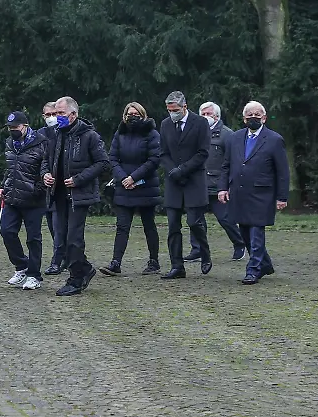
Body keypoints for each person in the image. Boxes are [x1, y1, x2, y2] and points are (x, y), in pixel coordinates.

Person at [42, 96, 110, 296]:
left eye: (60, 113)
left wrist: (79, 179)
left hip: (79, 194)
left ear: (73, 114)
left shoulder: (90, 136)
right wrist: (45, 174)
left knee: (74, 238)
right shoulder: (54, 134)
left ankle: (76, 280)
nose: (56, 117)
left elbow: (103, 164)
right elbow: (46, 159)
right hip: (58, 194)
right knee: (61, 238)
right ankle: (85, 268)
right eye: (55, 113)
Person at [218, 101, 290, 285]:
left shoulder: (274, 139)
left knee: (257, 232)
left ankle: (253, 270)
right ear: (244, 119)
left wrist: (282, 197)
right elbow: (226, 165)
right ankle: (265, 264)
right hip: (239, 192)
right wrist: (223, 187)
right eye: (249, 115)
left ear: (264, 118)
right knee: (245, 233)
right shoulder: (234, 138)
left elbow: (282, 171)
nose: (253, 118)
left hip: (262, 194)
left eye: (257, 115)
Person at [100, 102, 161, 277]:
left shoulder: (152, 134)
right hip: (124, 186)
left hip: (145, 185)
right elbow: (113, 158)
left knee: (149, 225)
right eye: (129, 113)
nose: (132, 116)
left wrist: (134, 178)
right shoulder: (120, 134)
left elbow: (154, 160)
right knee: (122, 226)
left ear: (143, 115)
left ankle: (154, 261)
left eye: (136, 113)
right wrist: (123, 178)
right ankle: (115, 262)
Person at [158, 91, 212, 279]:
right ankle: (177, 265)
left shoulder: (200, 123)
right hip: (174, 182)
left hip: (194, 180)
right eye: (169, 110)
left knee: (194, 223)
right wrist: (173, 170)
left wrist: (183, 169)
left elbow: (203, 152)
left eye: (175, 110)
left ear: (185, 107)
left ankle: (204, 253)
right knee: (173, 225)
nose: (172, 113)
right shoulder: (165, 124)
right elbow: (163, 152)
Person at [186, 102, 246, 262]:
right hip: (197, 184)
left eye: (208, 114)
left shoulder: (227, 135)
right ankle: (197, 249)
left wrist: (228, 185)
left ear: (217, 116)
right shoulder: (194, 133)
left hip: (218, 186)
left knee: (226, 219)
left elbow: (235, 161)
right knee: (195, 220)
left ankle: (240, 244)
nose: (205, 117)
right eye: (202, 113)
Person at [0, 111, 48, 290]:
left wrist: (37, 190)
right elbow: (10, 169)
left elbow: (46, 169)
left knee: (33, 238)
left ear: (25, 126)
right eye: (9, 128)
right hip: (12, 197)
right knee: (7, 231)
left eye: (15, 127)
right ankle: (22, 266)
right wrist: (4, 186)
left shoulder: (42, 143)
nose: (12, 131)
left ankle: (34, 275)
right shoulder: (9, 143)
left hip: (34, 199)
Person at [37, 101, 65, 274]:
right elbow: (40, 159)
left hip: (60, 187)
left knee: (59, 226)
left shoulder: (64, 133)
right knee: (52, 226)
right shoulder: (39, 135)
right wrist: (44, 173)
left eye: (54, 114)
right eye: (47, 115)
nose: (51, 118)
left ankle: (57, 260)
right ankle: (64, 257)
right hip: (44, 186)